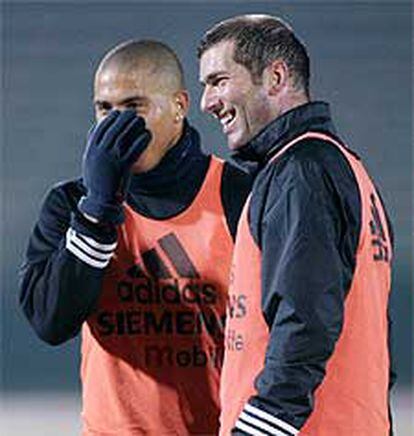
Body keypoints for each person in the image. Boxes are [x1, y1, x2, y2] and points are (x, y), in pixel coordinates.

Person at [19, 39, 251, 435]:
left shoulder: (237, 194)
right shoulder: (71, 204)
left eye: (133, 107)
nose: (115, 124)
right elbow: (50, 322)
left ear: (179, 106)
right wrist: (97, 212)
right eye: (104, 109)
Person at [198, 14, 395, 436]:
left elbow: (305, 321)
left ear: (275, 77)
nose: (207, 102)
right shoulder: (346, 170)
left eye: (218, 81)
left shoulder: (301, 172)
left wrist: (259, 427)